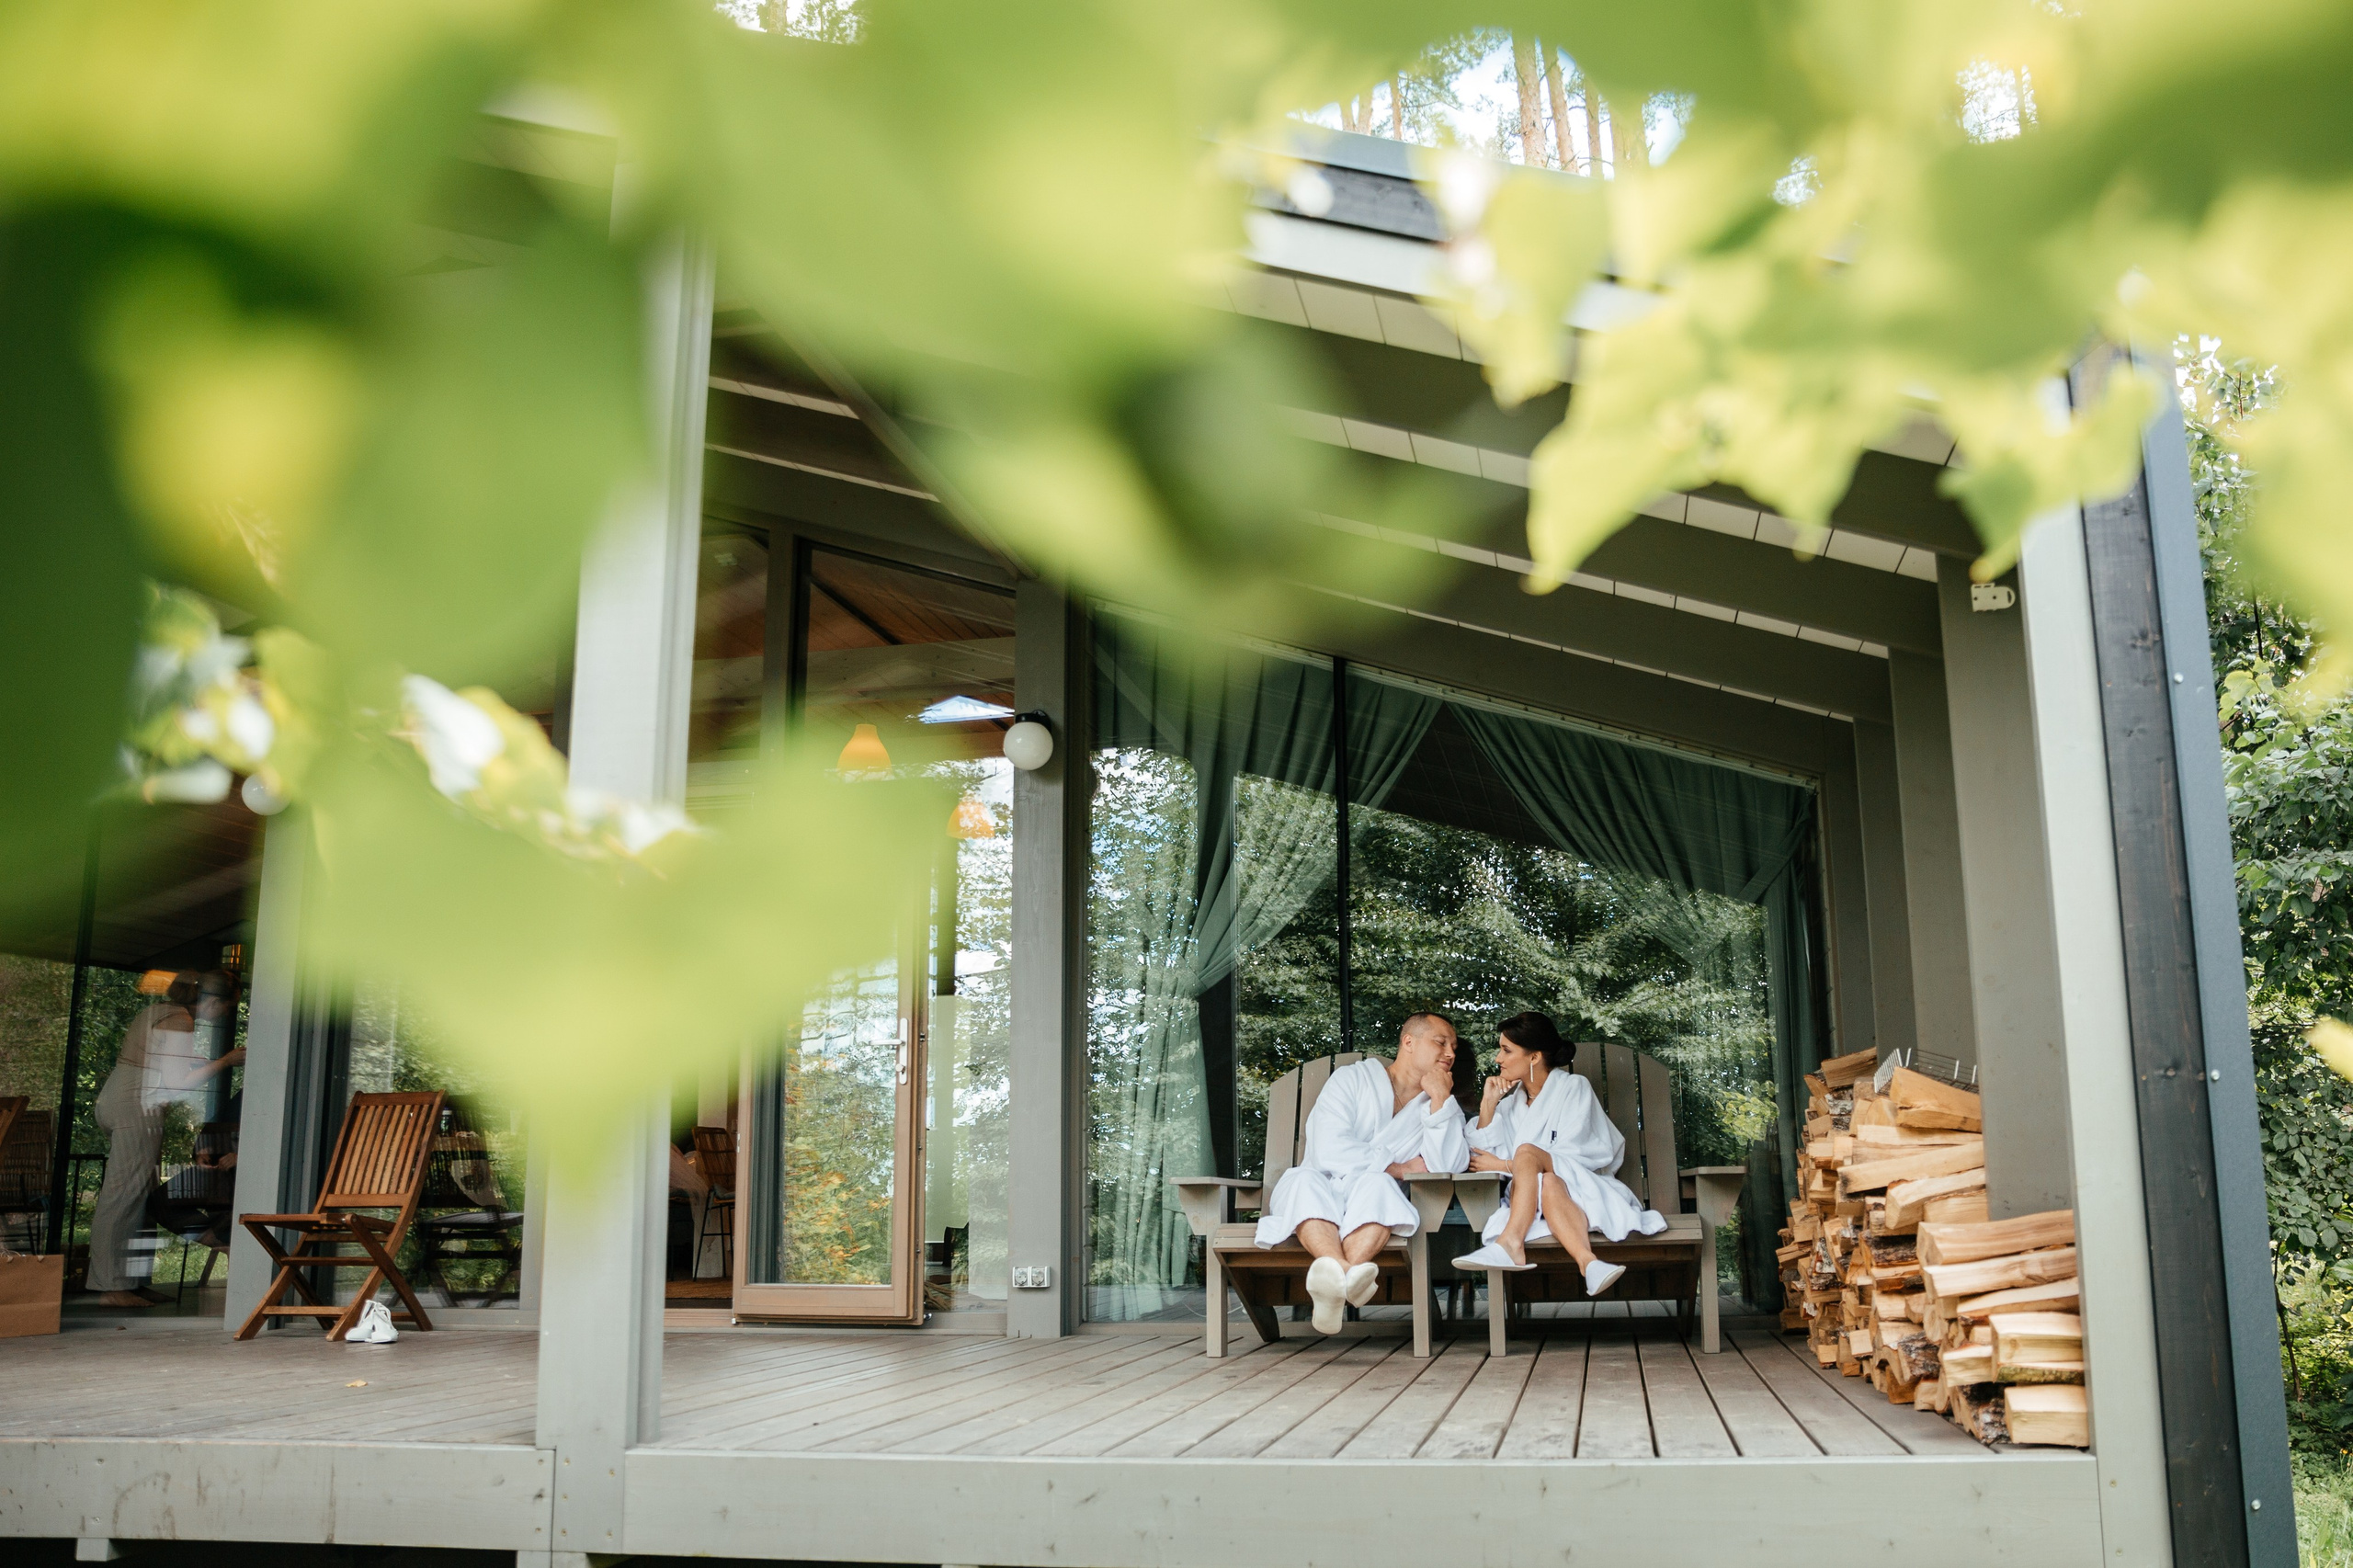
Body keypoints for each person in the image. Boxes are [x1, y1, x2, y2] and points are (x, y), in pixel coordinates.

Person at [1254, 1012, 1470, 1333]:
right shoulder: (1351, 1080)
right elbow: (1328, 1147)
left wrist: (1440, 1098)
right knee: (1301, 1179)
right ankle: (1347, 1274)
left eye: (1454, 1046)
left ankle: (1333, 1285)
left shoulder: (1436, 1106)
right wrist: (1397, 1166)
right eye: (1441, 1043)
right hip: (1320, 1188)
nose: (1451, 1053)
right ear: (1408, 1042)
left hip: (1373, 1200)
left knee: (1380, 1184)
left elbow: (1449, 1167)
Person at [1455, 1011, 1665, 1297]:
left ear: (1534, 1057)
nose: (1498, 1059)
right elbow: (1479, 1157)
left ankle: (1510, 1243)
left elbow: (1580, 1150)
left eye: (1506, 1050)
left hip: (1579, 1189)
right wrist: (1488, 1106)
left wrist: (1510, 1163)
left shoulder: (1573, 1088)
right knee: (1547, 1182)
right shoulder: (1509, 1104)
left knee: (1530, 1154)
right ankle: (1590, 1264)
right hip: (1537, 1199)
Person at [87, 971, 244, 1309]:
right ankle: (111, 1287)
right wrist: (225, 1061)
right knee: (124, 1196)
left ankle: (131, 1283)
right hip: (136, 1106)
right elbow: (176, 1085)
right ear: (213, 1002)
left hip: (118, 1097)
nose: (224, 1016)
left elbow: (157, 1063)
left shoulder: (156, 1011)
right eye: (226, 1008)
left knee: (139, 1195)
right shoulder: (180, 1020)